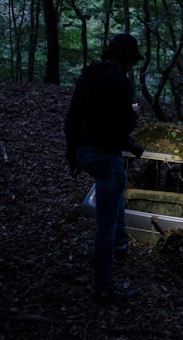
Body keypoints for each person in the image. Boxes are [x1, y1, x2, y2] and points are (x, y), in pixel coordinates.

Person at [64, 33, 145, 304]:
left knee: (115, 190)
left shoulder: (89, 75)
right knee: (105, 224)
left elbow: (74, 116)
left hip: (84, 152)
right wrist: (133, 112)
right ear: (127, 59)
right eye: (133, 62)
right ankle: (104, 288)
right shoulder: (119, 82)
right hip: (103, 157)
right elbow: (122, 123)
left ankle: (120, 247)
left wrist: (73, 155)